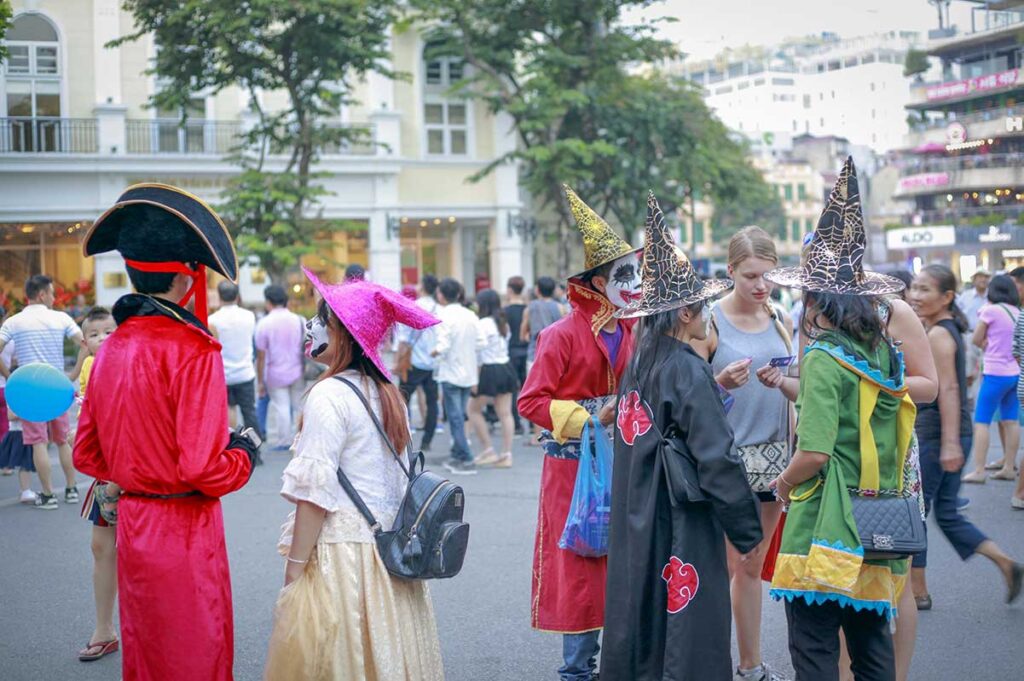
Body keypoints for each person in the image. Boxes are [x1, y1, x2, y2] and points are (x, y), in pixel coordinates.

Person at [73, 183, 259, 681]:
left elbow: (87, 454)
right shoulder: (195, 350)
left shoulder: (108, 349)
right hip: (185, 531)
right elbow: (203, 467)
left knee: (148, 660)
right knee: (196, 656)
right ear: (185, 276)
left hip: (134, 528)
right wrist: (242, 455)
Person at [601, 193, 763, 681]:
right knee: (685, 627)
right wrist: (746, 528)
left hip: (637, 511)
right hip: (680, 515)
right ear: (686, 315)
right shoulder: (688, 370)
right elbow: (717, 457)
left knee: (641, 613)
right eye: (702, 308)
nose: (707, 316)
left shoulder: (640, 364)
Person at [766, 158, 913, 681]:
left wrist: (783, 485)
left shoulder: (825, 357)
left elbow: (814, 452)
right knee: (873, 650)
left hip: (823, 524)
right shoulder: (882, 353)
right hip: (874, 513)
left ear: (816, 299)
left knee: (814, 651)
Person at [264, 269, 444, 680]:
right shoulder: (386, 391)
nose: (309, 327)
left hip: (344, 559)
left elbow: (314, 494)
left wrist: (294, 570)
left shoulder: (329, 394)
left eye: (320, 320)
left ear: (343, 334)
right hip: (391, 556)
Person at [518, 186, 642, 681]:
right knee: (581, 560)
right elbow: (531, 401)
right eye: (623, 275)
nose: (632, 282)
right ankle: (576, 670)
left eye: (635, 272)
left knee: (623, 560)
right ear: (595, 283)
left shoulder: (632, 330)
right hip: (571, 469)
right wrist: (593, 416)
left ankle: (615, 662)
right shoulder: (561, 335)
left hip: (626, 462)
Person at [693, 226, 794, 681]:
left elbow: (800, 388)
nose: (760, 285)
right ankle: (728, 661)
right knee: (727, 563)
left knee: (752, 563)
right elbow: (685, 396)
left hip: (776, 460)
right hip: (725, 461)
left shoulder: (780, 318)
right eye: (751, 275)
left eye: (768, 276)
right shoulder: (708, 322)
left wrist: (786, 384)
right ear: (730, 270)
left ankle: (750, 664)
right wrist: (720, 383)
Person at [908, 265, 1023, 610]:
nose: (915, 295)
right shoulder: (941, 329)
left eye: (925, 289)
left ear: (946, 297)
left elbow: (950, 389)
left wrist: (950, 443)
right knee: (946, 513)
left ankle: (919, 591)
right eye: (914, 287)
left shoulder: (939, 335)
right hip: (949, 432)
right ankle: (1006, 563)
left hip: (939, 434)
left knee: (917, 513)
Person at [0, 274, 83, 509]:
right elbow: (85, 343)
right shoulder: (61, 318)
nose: (55, 298)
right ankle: (71, 488)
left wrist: (9, 376)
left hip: (28, 389)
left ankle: (48, 495)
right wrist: (75, 373)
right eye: (52, 293)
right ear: (42, 294)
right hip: (57, 385)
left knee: (38, 443)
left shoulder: (13, 322)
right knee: (62, 441)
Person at [75, 306, 122, 663]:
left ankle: (154, 630)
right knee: (100, 548)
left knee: (143, 553)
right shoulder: (90, 369)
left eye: (109, 331)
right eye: (95, 334)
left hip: (133, 473)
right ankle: (104, 630)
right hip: (106, 471)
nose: (103, 339)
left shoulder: (128, 362)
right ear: (84, 343)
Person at [962, 274, 1020, 483]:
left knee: (981, 421)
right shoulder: (1017, 312)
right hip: (1014, 373)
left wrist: (988, 345)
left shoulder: (991, 310)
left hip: (995, 373)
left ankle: (978, 471)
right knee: (1011, 421)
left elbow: (976, 338)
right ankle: (1009, 467)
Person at [433, 277, 480, 475]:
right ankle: (457, 453)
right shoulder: (470, 316)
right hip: (468, 372)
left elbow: (442, 346)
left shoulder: (442, 315)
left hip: (451, 372)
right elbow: (481, 342)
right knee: (459, 415)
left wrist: (434, 352)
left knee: (455, 417)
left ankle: (467, 457)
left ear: (441, 295)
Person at [469, 289, 518, 468]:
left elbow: (478, 352)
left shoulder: (482, 324)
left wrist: (474, 378)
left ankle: (488, 450)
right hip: (505, 367)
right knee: (505, 413)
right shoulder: (502, 323)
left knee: (472, 410)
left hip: (488, 369)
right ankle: (506, 454)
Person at [209, 281, 263, 445]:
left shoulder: (212, 319)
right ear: (237, 296)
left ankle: (233, 445)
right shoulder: (249, 316)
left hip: (224, 374)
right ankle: (256, 448)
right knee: (249, 412)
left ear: (219, 296)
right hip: (245, 372)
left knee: (229, 409)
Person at [256, 284, 306, 450]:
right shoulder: (299, 320)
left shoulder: (264, 323)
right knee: (299, 406)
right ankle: (302, 439)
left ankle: (284, 441)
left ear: (268, 302)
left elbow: (261, 356)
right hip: (298, 369)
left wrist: (261, 381)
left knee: (281, 407)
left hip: (275, 372)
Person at [397, 274, 441, 452]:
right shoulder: (440, 308)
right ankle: (427, 441)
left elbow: (404, 338)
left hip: (414, 361)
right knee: (432, 403)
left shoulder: (413, 307)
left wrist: (398, 361)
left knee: (402, 400)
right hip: (433, 363)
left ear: (422, 287)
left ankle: (403, 438)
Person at [504, 276, 529, 435]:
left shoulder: (504, 311)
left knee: (513, 389)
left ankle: (517, 424)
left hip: (511, 351)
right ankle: (534, 425)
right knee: (530, 388)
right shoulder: (528, 309)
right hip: (527, 350)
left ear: (510, 290)